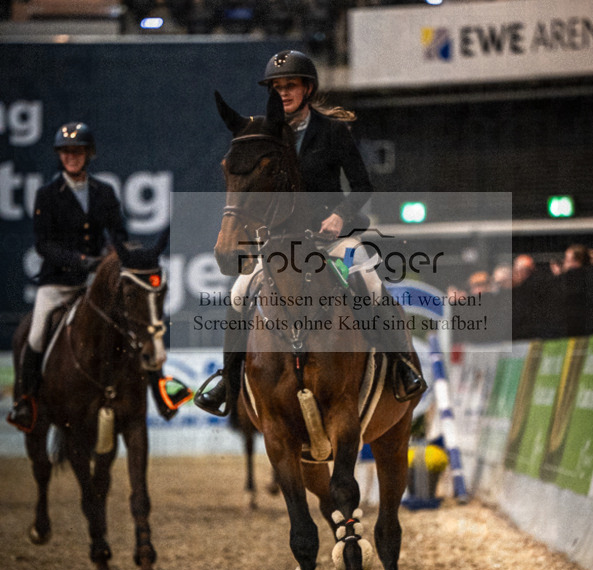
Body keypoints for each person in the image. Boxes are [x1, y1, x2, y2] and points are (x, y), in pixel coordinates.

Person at [194, 49, 425, 416]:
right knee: (239, 293)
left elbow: (363, 187)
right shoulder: (264, 133)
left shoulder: (332, 131)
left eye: (290, 86)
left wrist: (338, 215)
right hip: (281, 241)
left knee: (370, 282)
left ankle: (401, 366)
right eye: (277, 87)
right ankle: (229, 379)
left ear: (308, 88)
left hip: (329, 236)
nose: (283, 93)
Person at [7, 121, 192, 432]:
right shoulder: (48, 195)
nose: (71, 157)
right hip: (57, 283)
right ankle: (26, 401)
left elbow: (118, 233)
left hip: (94, 284)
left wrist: (115, 257)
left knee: (135, 329)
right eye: (66, 152)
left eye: (77, 151)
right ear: (60, 156)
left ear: (87, 154)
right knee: (36, 332)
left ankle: (162, 392)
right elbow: (43, 244)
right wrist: (82, 261)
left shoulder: (103, 192)